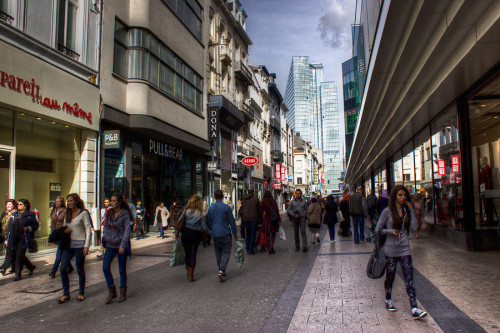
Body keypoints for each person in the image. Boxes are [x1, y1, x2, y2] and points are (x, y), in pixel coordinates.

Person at [375, 185, 427, 320]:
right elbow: (378, 229)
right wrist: (389, 231)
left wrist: (411, 209)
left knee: (409, 278)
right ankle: (388, 299)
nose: (403, 198)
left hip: (404, 248)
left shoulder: (406, 210)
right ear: (394, 197)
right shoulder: (387, 211)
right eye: (400, 195)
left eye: (405, 195)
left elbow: (415, 226)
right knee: (390, 276)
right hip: (390, 249)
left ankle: (414, 308)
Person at [57, 193, 92, 303]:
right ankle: (66, 294)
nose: (69, 203)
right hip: (68, 245)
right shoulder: (67, 213)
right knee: (63, 269)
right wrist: (64, 231)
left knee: (80, 269)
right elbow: (64, 227)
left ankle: (81, 293)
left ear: (76, 201)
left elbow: (88, 230)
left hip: (80, 245)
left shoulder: (83, 213)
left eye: (71, 201)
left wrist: (86, 245)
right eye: (68, 201)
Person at [102, 193, 132, 304]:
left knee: (121, 270)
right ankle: (111, 290)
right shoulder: (109, 213)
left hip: (120, 245)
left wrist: (123, 245)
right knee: (105, 267)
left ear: (119, 202)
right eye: (111, 200)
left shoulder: (125, 214)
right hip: (110, 245)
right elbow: (105, 226)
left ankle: (122, 291)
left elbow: (127, 230)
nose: (111, 202)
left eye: (114, 201)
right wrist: (105, 237)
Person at [207, 189, 238, 282]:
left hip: (216, 234)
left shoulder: (211, 208)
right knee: (226, 252)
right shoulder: (226, 208)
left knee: (218, 253)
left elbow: (209, 221)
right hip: (225, 233)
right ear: (222, 196)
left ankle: (221, 271)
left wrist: (211, 231)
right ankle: (222, 269)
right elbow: (232, 222)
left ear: (215, 197)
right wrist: (235, 234)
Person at [3, 199, 38, 281]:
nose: (18, 206)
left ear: (25, 206)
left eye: (20, 204)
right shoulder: (15, 214)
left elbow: (35, 225)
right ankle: (31, 267)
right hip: (14, 238)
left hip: (24, 238)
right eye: (18, 204)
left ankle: (18, 274)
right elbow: (10, 227)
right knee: (18, 254)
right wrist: (7, 239)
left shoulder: (30, 214)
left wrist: (28, 228)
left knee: (19, 256)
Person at [176, 194, 208, 282]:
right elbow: (204, 227)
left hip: (185, 234)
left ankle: (188, 268)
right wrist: (210, 232)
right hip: (195, 235)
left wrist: (176, 234)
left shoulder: (185, 211)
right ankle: (191, 273)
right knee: (193, 253)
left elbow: (179, 222)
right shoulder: (201, 213)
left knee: (187, 252)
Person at [49, 196, 74, 278]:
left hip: (63, 234)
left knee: (59, 253)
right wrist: (52, 234)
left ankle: (53, 271)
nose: (57, 203)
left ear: (62, 203)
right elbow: (52, 223)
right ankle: (70, 267)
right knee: (62, 253)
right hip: (56, 234)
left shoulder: (65, 211)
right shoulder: (53, 211)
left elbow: (66, 223)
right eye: (56, 201)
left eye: (59, 201)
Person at [240, 188, 261, 255]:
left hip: (246, 219)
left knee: (248, 234)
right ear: (253, 192)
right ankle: (251, 249)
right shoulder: (256, 199)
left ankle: (247, 248)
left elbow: (242, 209)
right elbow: (259, 210)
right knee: (252, 234)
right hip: (254, 219)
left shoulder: (243, 200)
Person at [0, 199, 18, 276]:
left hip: (12, 236)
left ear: (14, 205)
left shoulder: (16, 214)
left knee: (9, 252)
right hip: (4, 236)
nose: (7, 206)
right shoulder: (4, 213)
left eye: (9, 204)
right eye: (7, 204)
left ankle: (4, 268)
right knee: (14, 253)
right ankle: (15, 267)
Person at [124, 195, 136, 260]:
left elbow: (134, 215)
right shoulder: (120, 206)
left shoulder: (130, 206)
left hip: (129, 224)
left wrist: (135, 224)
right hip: (122, 225)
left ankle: (128, 254)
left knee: (127, 239)